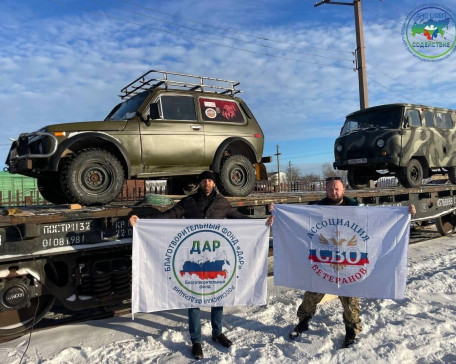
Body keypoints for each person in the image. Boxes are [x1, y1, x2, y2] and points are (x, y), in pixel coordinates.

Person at [130, 171, 273, 360]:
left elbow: (238, 217)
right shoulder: (189, 202)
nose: (207, 182)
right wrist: (142, 223)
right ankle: (196, 340)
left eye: (210, 180)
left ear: (214, 183)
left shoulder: (222, 202)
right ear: (200, 183)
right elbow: (170, 216)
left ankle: (217, 332)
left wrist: (262, 223)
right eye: (205, 180)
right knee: (193, 297)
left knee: (219, 294)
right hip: (194, 256)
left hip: (215, 255)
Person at [272, 176, 415, 349]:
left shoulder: (355, 208)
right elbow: (297, 217)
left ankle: (351, 330)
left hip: (348, 264)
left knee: (350, 299)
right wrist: (277, 211)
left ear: (343, 190)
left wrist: (405, 212)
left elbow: (378, 217)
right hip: (324, 261)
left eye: (337, 189)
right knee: (312, 292)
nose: (334, 192)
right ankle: (303, 321)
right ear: (326, 190)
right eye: (331, 189)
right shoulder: (317, 208)